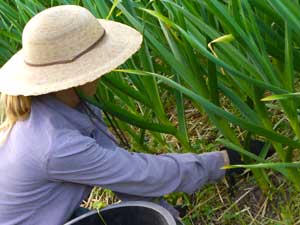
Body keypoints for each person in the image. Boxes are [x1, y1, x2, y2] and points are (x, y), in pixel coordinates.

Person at [0, 5, 267, 225]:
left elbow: (121, 173)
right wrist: (224, 162)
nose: (102, 72)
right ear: (74, 78)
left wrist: (163, 210)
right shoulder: (56, 146)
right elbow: (144, 174)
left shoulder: (59, 107)